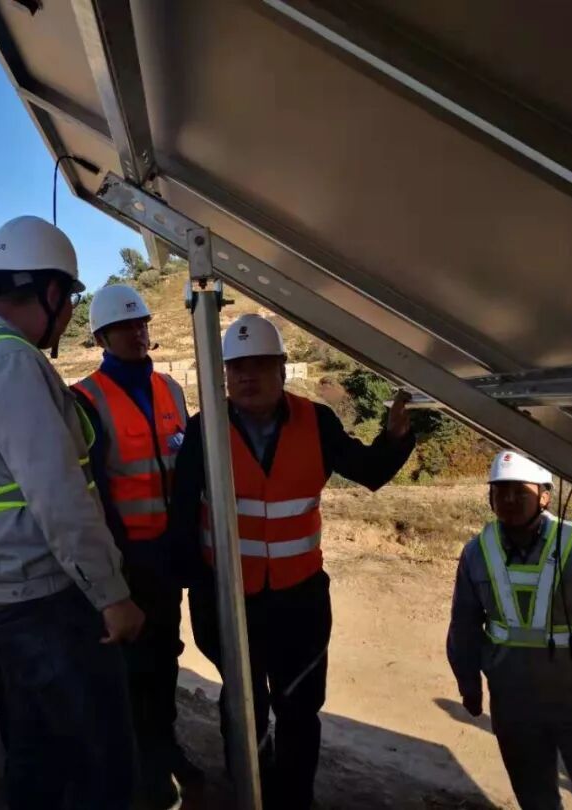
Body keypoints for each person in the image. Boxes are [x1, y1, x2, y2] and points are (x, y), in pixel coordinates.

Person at [0, 215, 145, 810]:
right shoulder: (10, 361)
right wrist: (111, 595)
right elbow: (58, 494)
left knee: (37, 755)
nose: (68, 316)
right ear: (48, 291)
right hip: (45, 601)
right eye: (68, 300)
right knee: (101, 770)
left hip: (4, 591)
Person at [170, 313, 415, 809]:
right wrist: (200, 591)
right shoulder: (204, 429)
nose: (247, 376)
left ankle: (295, 799)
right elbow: (182, 516)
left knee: (299, 708)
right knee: (244, 706)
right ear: (224, 374)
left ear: (282, 368)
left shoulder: (316, 421)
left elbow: (368, 470)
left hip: (299, 602)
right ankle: (251, 791)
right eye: (237, 367)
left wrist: (394, 438)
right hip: (230, 602)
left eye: (260, 364)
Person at [447, 451, 572, 810]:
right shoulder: (476, 552)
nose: (508, 499)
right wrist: (467, 683)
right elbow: (464, 624)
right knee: (534, 794)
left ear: (545, 496)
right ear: (489, 498)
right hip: (512, 698)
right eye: (500, 491)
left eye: (520, 491)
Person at [71, 284, 201, 807]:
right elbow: (93, 489)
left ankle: (164, 749)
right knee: (129, 664)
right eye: (123, 327)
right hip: (125, 556)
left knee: (165, 656)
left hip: (168, 553)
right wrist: (114, 562)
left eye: (141, 324)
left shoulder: (171, 389)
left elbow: (185, 470)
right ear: (101, 337)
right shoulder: (86, 398)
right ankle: (137, 763)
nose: (136, 333)